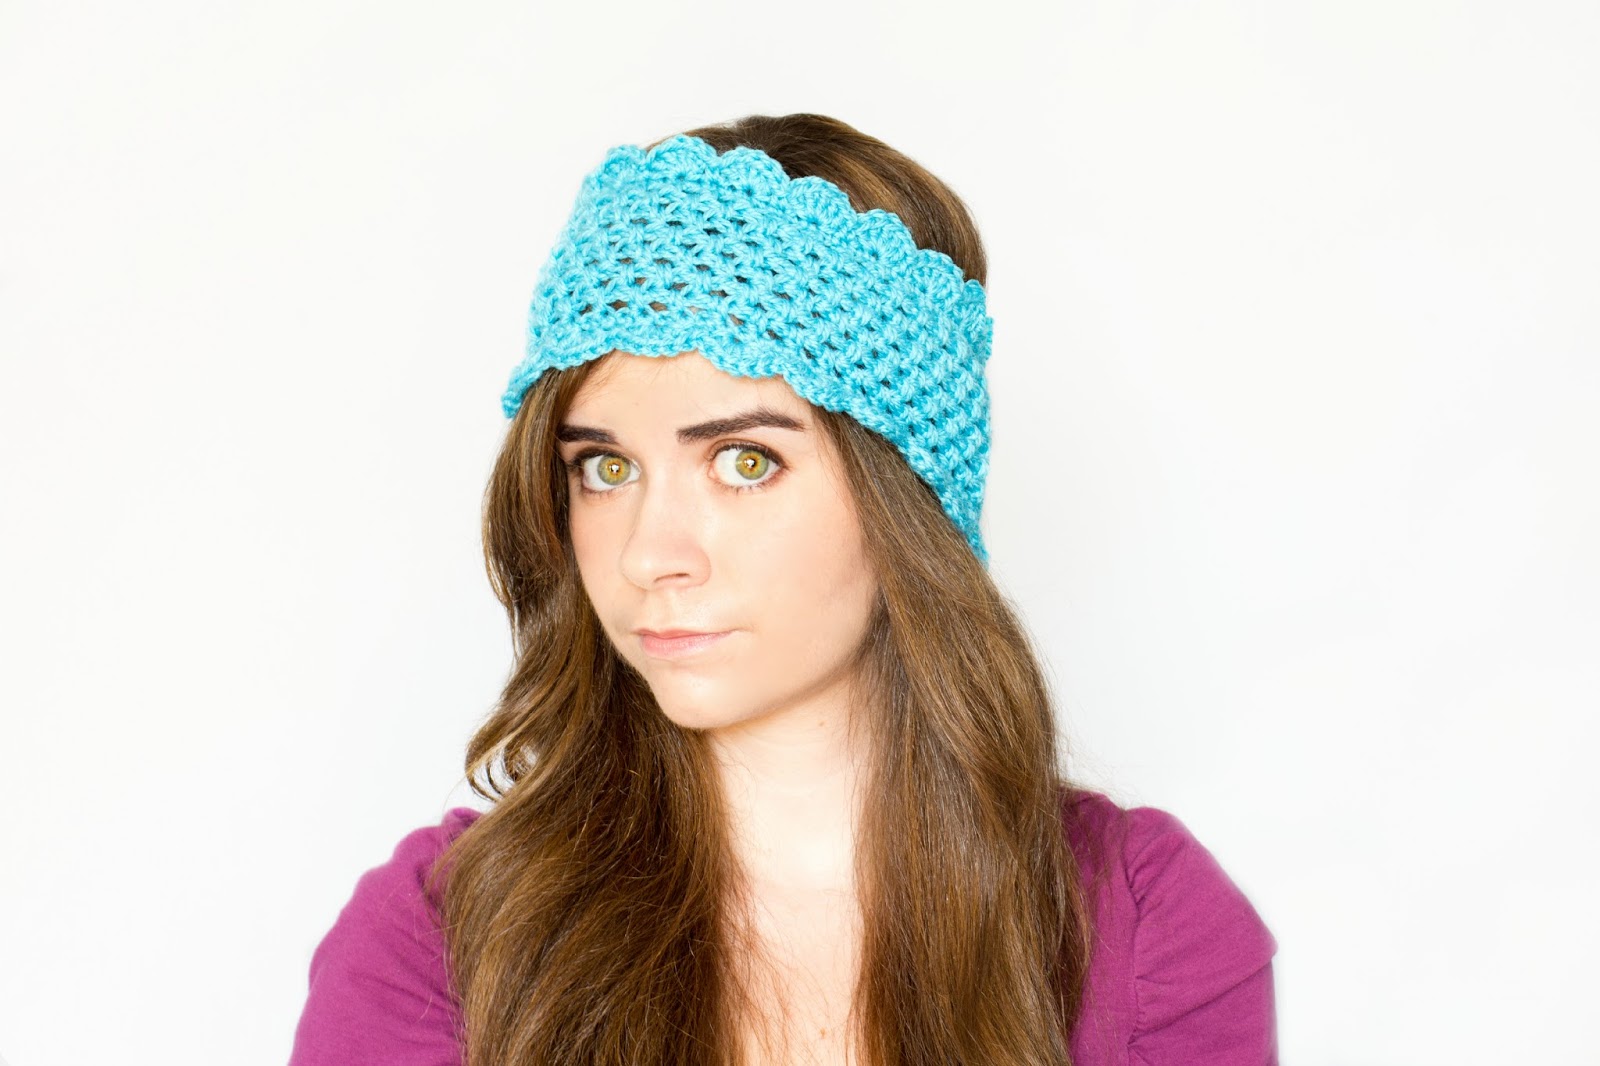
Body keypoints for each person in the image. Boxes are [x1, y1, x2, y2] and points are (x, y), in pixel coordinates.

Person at [288, 112, 1278, 1066]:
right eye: (606, 467)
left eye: (744, 462)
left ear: (903, 499)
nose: (649, 555)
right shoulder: (432, 946)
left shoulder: (1145, 929)